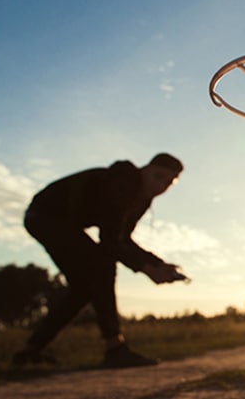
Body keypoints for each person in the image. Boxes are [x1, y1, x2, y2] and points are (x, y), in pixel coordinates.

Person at [12, 153, 186, 368]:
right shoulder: (123, 182)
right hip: (45, 217)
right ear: (145, 169)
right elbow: (110, 242)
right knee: (103, 265)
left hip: (62, 224)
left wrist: (157, 264)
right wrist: (146, 269)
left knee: (83, 289)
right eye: (158, 176)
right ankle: (114, 348)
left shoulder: (141, 198)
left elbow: (123, 239)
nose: (161, 186)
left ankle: (30, 351)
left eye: (168, 183)